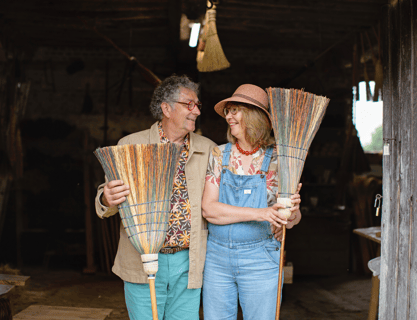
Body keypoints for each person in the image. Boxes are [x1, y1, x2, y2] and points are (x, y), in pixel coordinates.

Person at [94, 74, 216, 320]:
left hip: (189, 260)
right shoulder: (131, 145)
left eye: (198, 105)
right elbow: (106, 198)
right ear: (166, 108)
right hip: (144, 259)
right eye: (188, 104)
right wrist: (107, 198)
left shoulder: (209, 149)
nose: (196, 111)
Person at [201, 84, 302, 320]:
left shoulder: (280, 159)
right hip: (217, 257)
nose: (228, 116)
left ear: (254, 115)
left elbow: (290, 222)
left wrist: (293, 212)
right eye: (228, 111)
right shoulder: (219, 154)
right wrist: (262, 214)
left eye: (235, 110)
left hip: (260, 257)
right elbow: (209, 210)